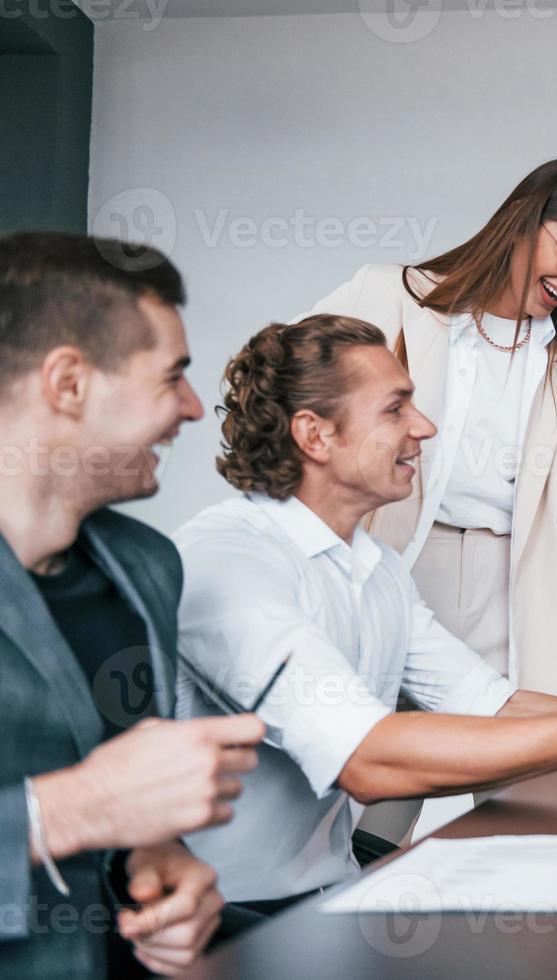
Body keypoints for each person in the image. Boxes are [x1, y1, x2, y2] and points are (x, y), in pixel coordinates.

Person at [174, 315, 557, 907]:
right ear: (315, 434)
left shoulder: (377, 569)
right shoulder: (232, 559)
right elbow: (367, 760)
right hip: (226, 916)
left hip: (329, 893)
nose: (424, 427)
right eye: (396, 408)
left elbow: (491, 703)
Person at [304, 158, 557, 700]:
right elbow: (275, 389)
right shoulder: (391, 298)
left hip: (516, 589)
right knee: (381, 773)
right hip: (393, 565)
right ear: (522, 220)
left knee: (530, 782)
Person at [0, 232, 265, 978]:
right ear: (69, 383)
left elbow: (121, 814)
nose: (191, 408)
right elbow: (88, 797)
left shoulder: (147, 568)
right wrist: (67, 809)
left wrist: (157, 861)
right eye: (171, 376)